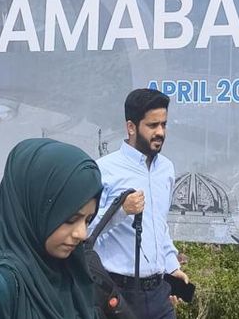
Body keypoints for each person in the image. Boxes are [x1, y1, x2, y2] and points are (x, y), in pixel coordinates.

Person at [0, 138, 102, 319]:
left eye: (88, 220)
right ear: (34, 208)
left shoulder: (71, 270)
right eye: (70, 219)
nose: (82, 234)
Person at [91, 88, 188, 319]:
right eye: (153, 126)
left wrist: (172, 267)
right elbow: (85, 230)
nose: (160, 132)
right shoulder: (104, 170)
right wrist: (121, 211)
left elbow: (159, 226)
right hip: (117, 290)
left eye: (164, 124)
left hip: (158, 292)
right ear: (131, 127)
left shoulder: (166, 169)